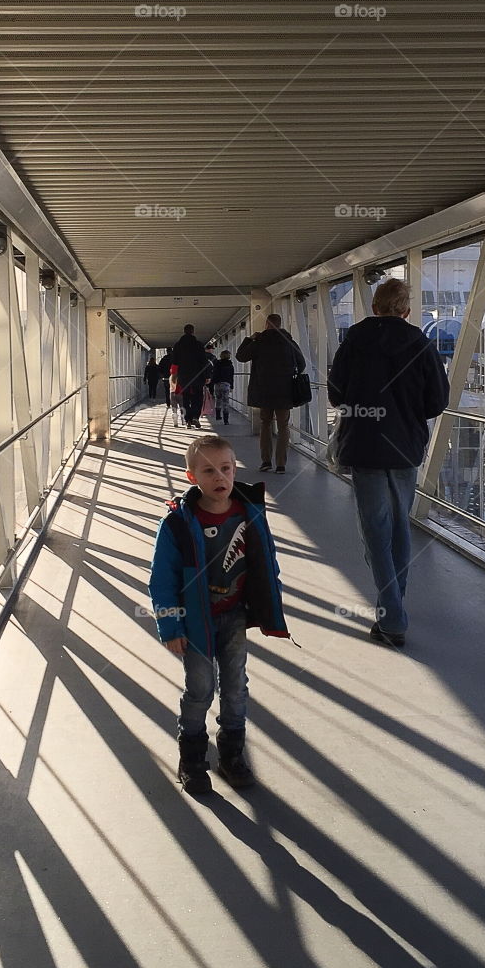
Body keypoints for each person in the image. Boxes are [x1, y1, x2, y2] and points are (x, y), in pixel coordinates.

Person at [148, 433, 289, 794]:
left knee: (236, 687)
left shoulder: (248, 511)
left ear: (234, 469)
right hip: (196, 621)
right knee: (199, 689)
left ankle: (231, 755)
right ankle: (192, 759)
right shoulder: (179, 523)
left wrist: (268, 599)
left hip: (234, 615)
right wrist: (170, 625)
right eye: (208, 471)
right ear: (191, 477)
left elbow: (265, 559)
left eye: (225, 469)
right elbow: (162, 579)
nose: (220, 478)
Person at [327, 278, 449, 649]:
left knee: (375, 532)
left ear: (375, 308)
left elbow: (336, 395)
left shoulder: (353, 343)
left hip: (364, 447)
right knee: (399, 528)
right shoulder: (421, 345)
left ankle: (392, 616)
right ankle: (391, 610)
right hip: (404, 448)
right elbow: (436, 401)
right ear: (406, 310)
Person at [236, 314, 305, 473]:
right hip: (285, 391)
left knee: (265, 424)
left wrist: (249, 339)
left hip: (263, 391)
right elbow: (301, 364)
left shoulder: (259, 342)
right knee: (283, 427)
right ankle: (281, 464)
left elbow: (240, 357)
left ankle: (266, 462)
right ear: (280, 325)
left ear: (267, 324)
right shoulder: (289, 341)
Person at [172, 324, 212, 429]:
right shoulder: (198, 345)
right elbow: (204, 361)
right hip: (198, 377)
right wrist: (207, 376)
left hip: (183, 377)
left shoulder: (178, 345)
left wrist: (174, 377)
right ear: (193, 331)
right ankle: (195, 417)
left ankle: (188, 420)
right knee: (197, 398)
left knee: (185, 399)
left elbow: (174, 362)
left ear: (184, 331)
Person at [209, 349, 235, 424]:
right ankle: (226, 420)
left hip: (217, 384)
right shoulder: (230, 365)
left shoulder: (217, 364)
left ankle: (218, 416)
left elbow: (214, 374)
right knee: (226, 402)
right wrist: (232, 387)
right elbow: (231, 377)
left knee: (218, 400)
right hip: (226, 385)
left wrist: (212, 384)